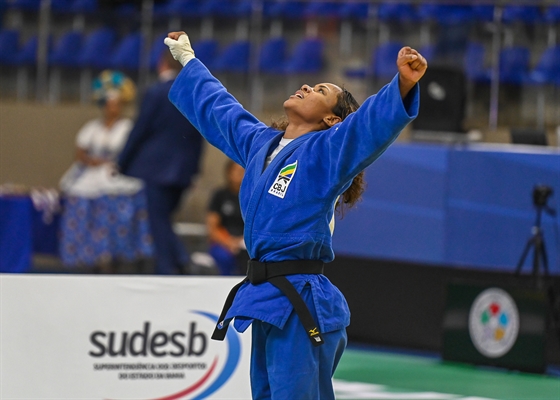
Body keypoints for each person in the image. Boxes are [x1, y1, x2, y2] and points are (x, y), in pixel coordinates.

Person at [164, 31, 427, 399]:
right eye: (310, 84)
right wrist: (189, 60)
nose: (306, 86)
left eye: (320, 91)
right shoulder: (260, 145)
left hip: (302, 299)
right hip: (265, 297)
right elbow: (222, 112)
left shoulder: (328, 152)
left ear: (333, 120)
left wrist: (401, 84)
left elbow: (365, 128)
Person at [117, 50, 203, 275]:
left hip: (156, 168)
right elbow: (199, 136)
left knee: (158, 219)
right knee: (163, 217)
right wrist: (193, 171)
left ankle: (170, 267)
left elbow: (140, 129)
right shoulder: (192, 95)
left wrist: (122, 161)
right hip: (183, 170)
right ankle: (180, 261)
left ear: (161, 64)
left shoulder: (155, 92)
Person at [59, 70, 153, 270]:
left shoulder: (127, 127)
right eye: (110, 104)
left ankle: (119, 255)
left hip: (116, 175)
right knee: (79, 200)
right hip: (90, 176)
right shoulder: (92, 128)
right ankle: (87, 257)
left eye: (117, 104)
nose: (114, 108)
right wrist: (91, 161)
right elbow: (80, 153)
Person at [207, 160, 247, 275]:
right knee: (224, 257)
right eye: (237, 171)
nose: (240, 174)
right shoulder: (220, 195)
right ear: (229, 173)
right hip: (224, 241)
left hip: (245, 242)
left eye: (243, 171)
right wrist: (228, 242)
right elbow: (213, 226)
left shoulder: (251, 197)